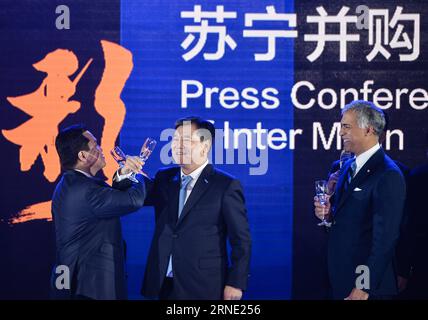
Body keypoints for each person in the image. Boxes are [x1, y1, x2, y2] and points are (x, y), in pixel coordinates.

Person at [141, 116, 251, 300]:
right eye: (175, 140)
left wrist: (236, 282)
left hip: (203, 285)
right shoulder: (164, 179)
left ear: (205, 146)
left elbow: (241, 240)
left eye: (186, 140)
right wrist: (125, 173)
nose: (178, 146)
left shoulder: (226, 185)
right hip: (163, 284)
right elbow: (134, 198)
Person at [314, 101, 406, 300]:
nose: (340, 133)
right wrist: (328, 215)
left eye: (346, 127)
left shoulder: (387, 174)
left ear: (368, 130)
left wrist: (364, 287)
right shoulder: (346, 167)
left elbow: (385, 239)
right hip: (340, 279)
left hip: (365, 290)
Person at [51, 124, 146, 300]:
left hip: (79, 282)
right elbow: (134, 201)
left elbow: (113, 197)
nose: (101, 149)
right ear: (83, 156)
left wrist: (124, 174)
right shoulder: (85, 190)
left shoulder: (74, 184)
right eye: (95, 146)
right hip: (90, 288)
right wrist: (136, 172)